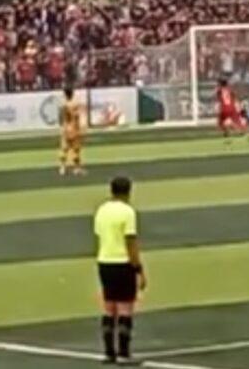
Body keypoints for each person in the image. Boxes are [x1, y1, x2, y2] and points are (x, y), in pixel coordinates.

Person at [94, 176, 146, 366]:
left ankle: (109, 353)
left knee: (109, 308)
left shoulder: (101, 210)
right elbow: (130, 241)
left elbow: (100, 235)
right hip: (122, 262)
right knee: (125, 308)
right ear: (128, 191)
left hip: (104, 261)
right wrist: (138, 268)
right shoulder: (128, 212)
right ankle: (124, 353)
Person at [216, 78, 249, 146]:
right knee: (237, 122)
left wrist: (218, 110)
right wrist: (239, 107)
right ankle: (246, 134)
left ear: (220, 84)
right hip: (232, 108)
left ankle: (228, 139)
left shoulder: (219, 90)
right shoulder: (230, 90)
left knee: (221, 124)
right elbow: (235, 99)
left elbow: (219, 100)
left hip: (224, 108)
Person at [59, 87, 86, 176]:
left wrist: (62, 127)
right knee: (76, 150)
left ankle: (62, 168)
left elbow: (61, 117)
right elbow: (78, 116)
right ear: (72, 93)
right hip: (74, 128)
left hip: (66, 128)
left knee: (64, 149)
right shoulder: (76, 104)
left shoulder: (63, 104)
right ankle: (76, 169)